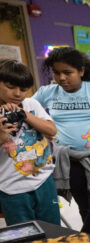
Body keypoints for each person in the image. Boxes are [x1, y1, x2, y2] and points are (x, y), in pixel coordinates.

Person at [34, 47, 90, 237]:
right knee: (85, 209)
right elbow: (27, 110)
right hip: (67, 160)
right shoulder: (47, 93)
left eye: (67, 72)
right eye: (56, 72)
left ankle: (81, 237)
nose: (61, 78)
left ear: (82, 71)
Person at [0, 59, 59, 225]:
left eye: (23, 89)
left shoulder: (31, 104)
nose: (18, 93)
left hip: (44, 180)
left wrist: (24, 114)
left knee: (54, 232)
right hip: (12, 188)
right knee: (24, 239)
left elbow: (52, 130)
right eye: (11, 87)